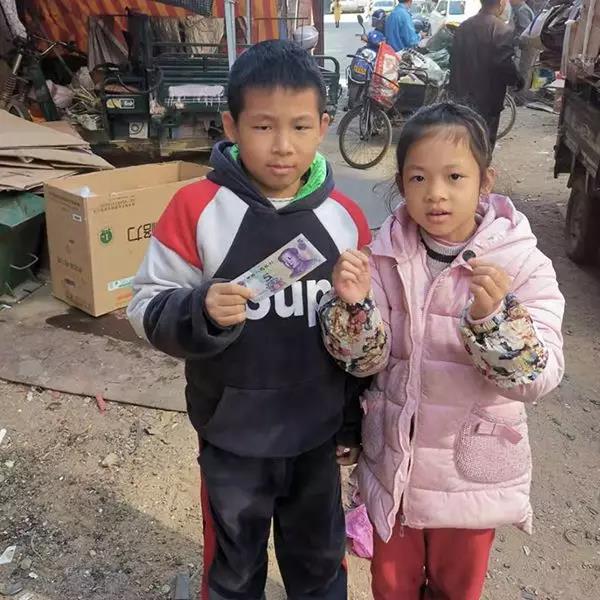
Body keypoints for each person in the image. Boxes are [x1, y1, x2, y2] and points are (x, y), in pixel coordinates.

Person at [127, 40, 372, 600]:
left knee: (320, 567)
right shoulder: (195, 208)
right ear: (231, 126)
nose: (283, 146)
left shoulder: (348, 218)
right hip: (231, 436)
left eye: (300, 126)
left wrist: (352, 422)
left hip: (315, 435)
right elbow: (144, 306)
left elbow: (360, 332)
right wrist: (199, 311)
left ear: (324, 127)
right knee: (234, 572)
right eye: (263, 126)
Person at [318, 102, 565, 600]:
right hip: (395, 472)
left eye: (454, 176)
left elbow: (539, 377)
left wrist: (494, 321)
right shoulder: (382, 256)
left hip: (468, 480)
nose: (435, 193)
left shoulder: (521, 263)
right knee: (392, 586)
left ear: (485, 180)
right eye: (418, 178)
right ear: (400, 183)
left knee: (457, 589)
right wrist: (354, 306)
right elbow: (364, 361)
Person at [449, 0, 523, 148]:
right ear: (501, 3)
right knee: (483, 143)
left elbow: (453, 60)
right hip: (488, 100)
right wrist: (517, 80)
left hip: (460, 96)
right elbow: (504, 64)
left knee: (462, 142)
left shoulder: (463, 27)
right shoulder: (501, 29)